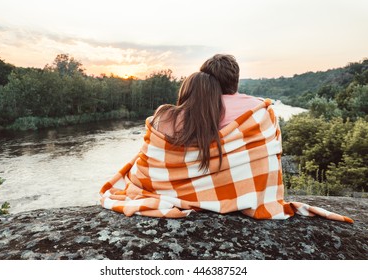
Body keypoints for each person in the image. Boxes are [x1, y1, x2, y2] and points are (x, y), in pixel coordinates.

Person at [99, 54, 353, 223]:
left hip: (166, 189)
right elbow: (269, 157)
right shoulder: (260, 112)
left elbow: (151, 160)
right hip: (242, 198)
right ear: (235, 80)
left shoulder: (168, 114)